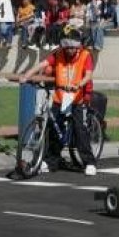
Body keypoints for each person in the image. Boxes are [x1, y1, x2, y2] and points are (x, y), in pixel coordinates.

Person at [19, 27, 97, 176]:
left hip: (76, 98)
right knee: (53, 129)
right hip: (60, 97)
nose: (69, 51)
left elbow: (88, 74)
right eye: (66, 47)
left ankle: (89, 162)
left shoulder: (85, 55)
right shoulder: (58, 53)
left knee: (80, 130)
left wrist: (79, 85)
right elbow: (42, 64)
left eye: (72, 48)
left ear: (78, 46)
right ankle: (50, 161)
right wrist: (26, 75)